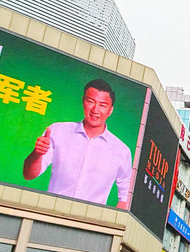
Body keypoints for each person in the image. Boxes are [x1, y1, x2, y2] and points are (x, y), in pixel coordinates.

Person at [23, 79, 133, 209]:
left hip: (89, 223)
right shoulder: (58, 131)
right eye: (90, 102)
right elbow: (29, 175)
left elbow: (125, 196)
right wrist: (37, 154)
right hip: (51, 212)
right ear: (83, 101)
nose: (95, 110)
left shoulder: (121, 150)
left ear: (110, 110)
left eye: (102, 105)